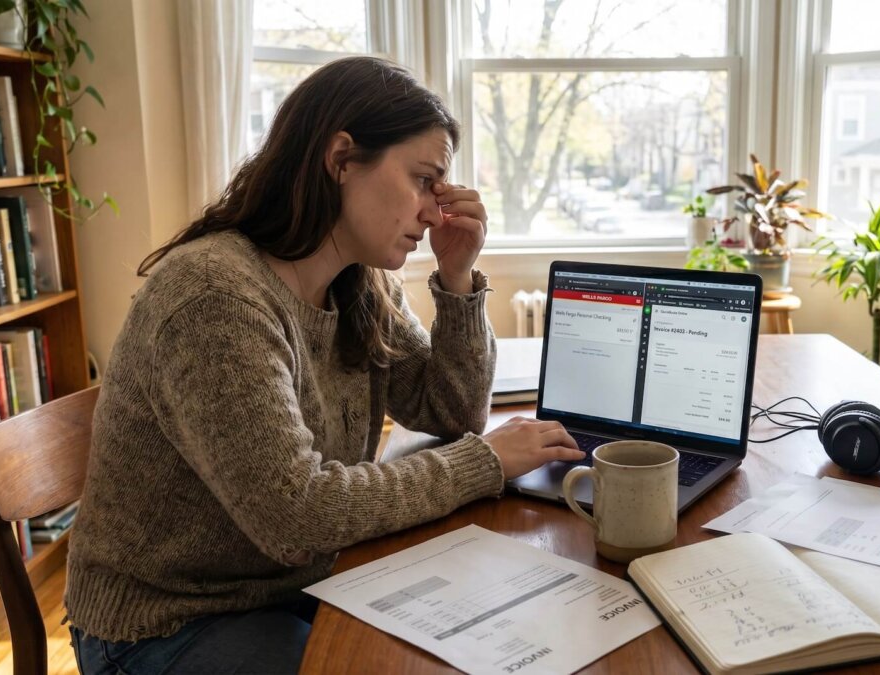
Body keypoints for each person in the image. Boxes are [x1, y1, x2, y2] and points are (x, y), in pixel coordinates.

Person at [65, 56, 583, 674]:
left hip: (293, 583)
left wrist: (458, 277)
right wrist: (486, 462)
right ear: (341, 159)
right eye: (423, 180)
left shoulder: (357, 283)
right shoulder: (214, 298)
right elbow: (298, 515)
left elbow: (451, 411)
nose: (433, 212)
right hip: (164, 623)